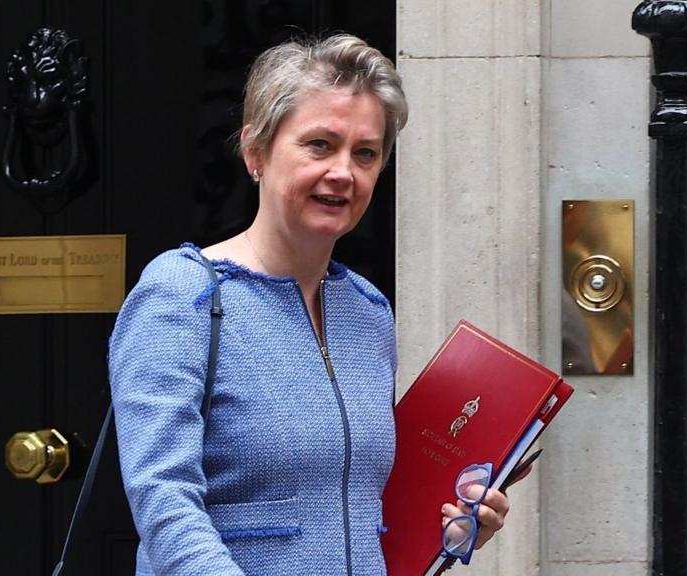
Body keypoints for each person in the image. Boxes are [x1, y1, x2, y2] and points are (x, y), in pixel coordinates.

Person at [109, 33, 517, 576]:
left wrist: (452, 528)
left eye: (365, 153)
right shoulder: (182, 294)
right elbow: (164, 501)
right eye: (319, 145)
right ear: (256, 151)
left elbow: (361, 509)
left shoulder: (367, 311)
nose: (343, 172)